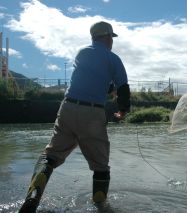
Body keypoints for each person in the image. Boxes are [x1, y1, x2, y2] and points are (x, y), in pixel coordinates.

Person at [19, 21, 130, 212]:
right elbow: (123, 88)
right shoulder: (113, 59)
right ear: (107, 37)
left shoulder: (82, 53)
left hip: (68, 107)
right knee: (100, 167)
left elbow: (90, 77)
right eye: (111, 37)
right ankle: (100, 206)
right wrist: (123, 111)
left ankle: (32, 199)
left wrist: (107, 87)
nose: (112, 41)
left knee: (50, 157)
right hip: (92, 114)